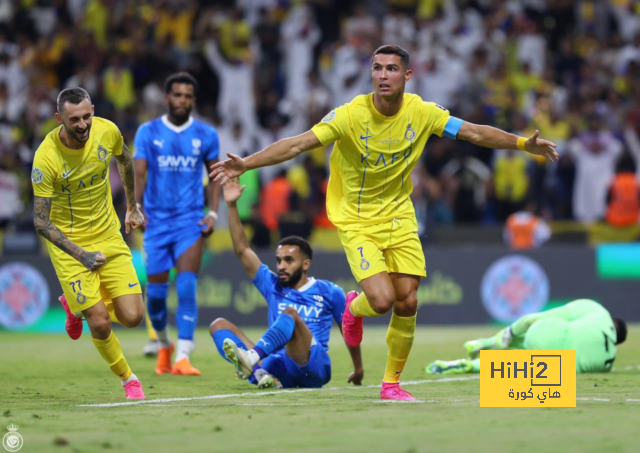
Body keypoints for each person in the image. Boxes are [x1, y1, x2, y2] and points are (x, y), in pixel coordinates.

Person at [209, 44, 558, 400]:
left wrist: (520, 144)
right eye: (377, 68)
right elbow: (298, 145)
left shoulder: (422, 112)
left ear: (407, 75)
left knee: (407, 301)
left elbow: (473, 133)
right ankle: (352, 308)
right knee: (380, 301)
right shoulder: (349, 115)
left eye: (391, 69)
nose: (382, 76)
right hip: (357, 220)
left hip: (399, 215)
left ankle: (391, 384)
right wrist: (246, 163)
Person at [32, 87, 146, 399]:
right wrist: (80, 254)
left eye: (86, 116)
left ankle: (75, 302)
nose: (83, 125)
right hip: (71, 246)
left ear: (92, 110)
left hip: (108, 234)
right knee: (100, 323)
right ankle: (128, 379)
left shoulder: (107, 131)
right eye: (74, 120)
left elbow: (125, 160)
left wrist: (132, 206)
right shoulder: (46, 159)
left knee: (133, 317)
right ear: (59, 119)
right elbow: (40, 221)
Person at [209, 178, 363, 389]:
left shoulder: (329, 291)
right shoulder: (272, 285)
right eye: (279, 260)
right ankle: (262, 373)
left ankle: (252, 361)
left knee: (290, 314)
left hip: (313, 367)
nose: (281, 266)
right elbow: (243, 250)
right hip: (278, 365)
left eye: (289, 260)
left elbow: (349, 330)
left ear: (306, 263)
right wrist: (232, 206)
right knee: (218, 325)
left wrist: (359, 368)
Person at [134, 72, 221, 376]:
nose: (182, 100)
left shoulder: (206, 134)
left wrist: (213, 213)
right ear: (167, 98)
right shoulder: (148, 132)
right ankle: (164, 345)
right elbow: (140, 175)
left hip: (189, 221)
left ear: (193, 100)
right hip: (156, 223)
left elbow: (215, 176)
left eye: (187, 96)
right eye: (177, 95)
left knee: (186, 286)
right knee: (155, 298)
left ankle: (183, 355)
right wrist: (135, 209)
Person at [426, 299, 627, 375]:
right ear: (617, 341)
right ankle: (468, 366)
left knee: (526, 333)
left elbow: (535, 319)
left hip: (543, 335)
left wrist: (511, 331)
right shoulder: (609, 362)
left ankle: (488, 342)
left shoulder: (597, 310)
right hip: (554, 368)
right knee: (518, 362)